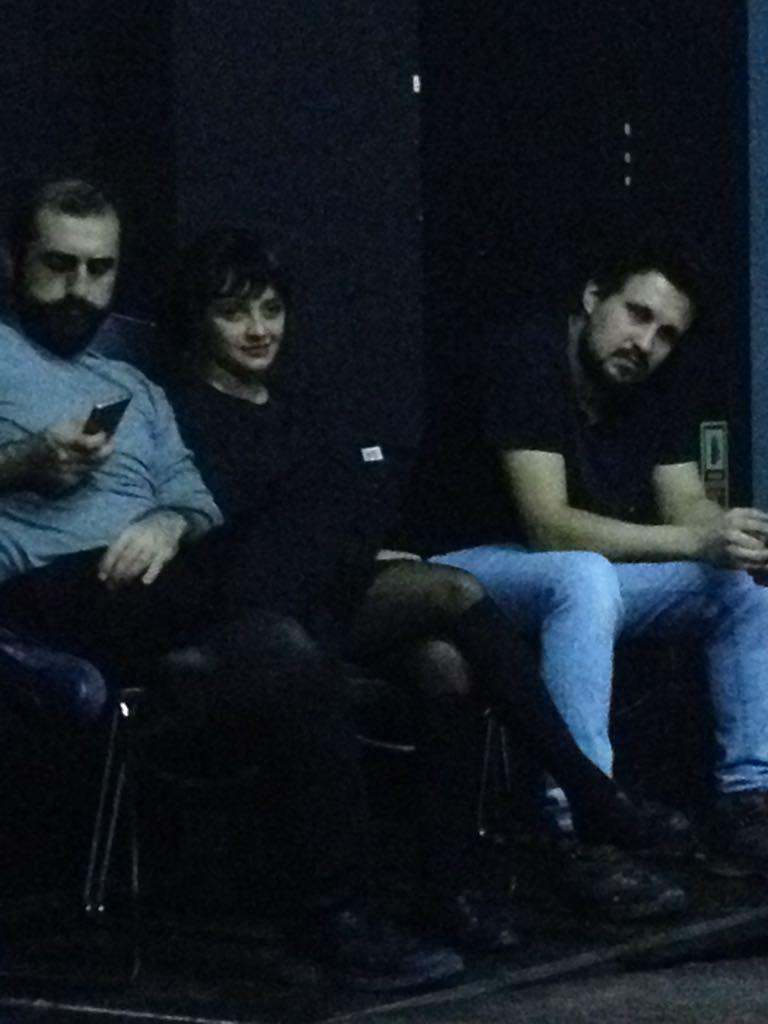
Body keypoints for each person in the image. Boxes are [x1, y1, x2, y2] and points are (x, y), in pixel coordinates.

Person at [0, 177, 471, 990]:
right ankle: (336, 920)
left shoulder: (135, 387)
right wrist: (24, 462)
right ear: (13, 261)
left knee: (318, 519)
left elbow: (194, 495)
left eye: (100, 270)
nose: (80, 289)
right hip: (52, 588)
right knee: (295, 613)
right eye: (59, 265)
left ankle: (336, 921)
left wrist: (167, 522)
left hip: (164, 579)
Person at [161, 227, 691, 932]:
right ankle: (590, 792)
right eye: (235, 313)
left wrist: (362, 544)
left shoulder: (301, 402)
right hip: (251, 609)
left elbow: (345, 509)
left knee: (447, 664)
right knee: (455, 590)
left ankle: (446, 894)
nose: (259, 330)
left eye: (271, 310)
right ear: (199, 318)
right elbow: (235, 533)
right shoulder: (177, 408)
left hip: (335, 591)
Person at [414, 233, 768, 876]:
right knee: (583, 574)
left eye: (665, 334)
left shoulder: (655, 382)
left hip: (575, 577)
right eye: (637, 314)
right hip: (459, 570)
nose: (645, 343)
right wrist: (695, 541)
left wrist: (733, 536)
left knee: (738, 587)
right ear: (593, 297)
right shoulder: (527, 357)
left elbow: (686, 505)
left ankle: (748, 799)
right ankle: (579, 821)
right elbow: (548, 526)